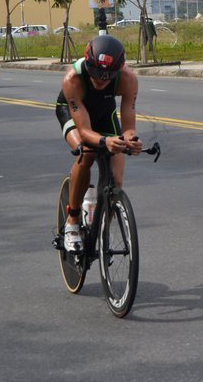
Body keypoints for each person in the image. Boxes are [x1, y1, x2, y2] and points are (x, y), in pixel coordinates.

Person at [55, 34, 142, 252]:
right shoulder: (72, 78)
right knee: (86, 153)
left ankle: (103, 228)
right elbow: (84, 131)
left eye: (107, 76)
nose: (100, 79)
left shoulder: (128, 79)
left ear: (118, 71)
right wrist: (105, 141)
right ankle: (73, 222)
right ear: (88, 64)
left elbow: (128, 125)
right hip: (74, 113)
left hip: (104, 112)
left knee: (117, 180)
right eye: (95, 73)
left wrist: (131, 139)